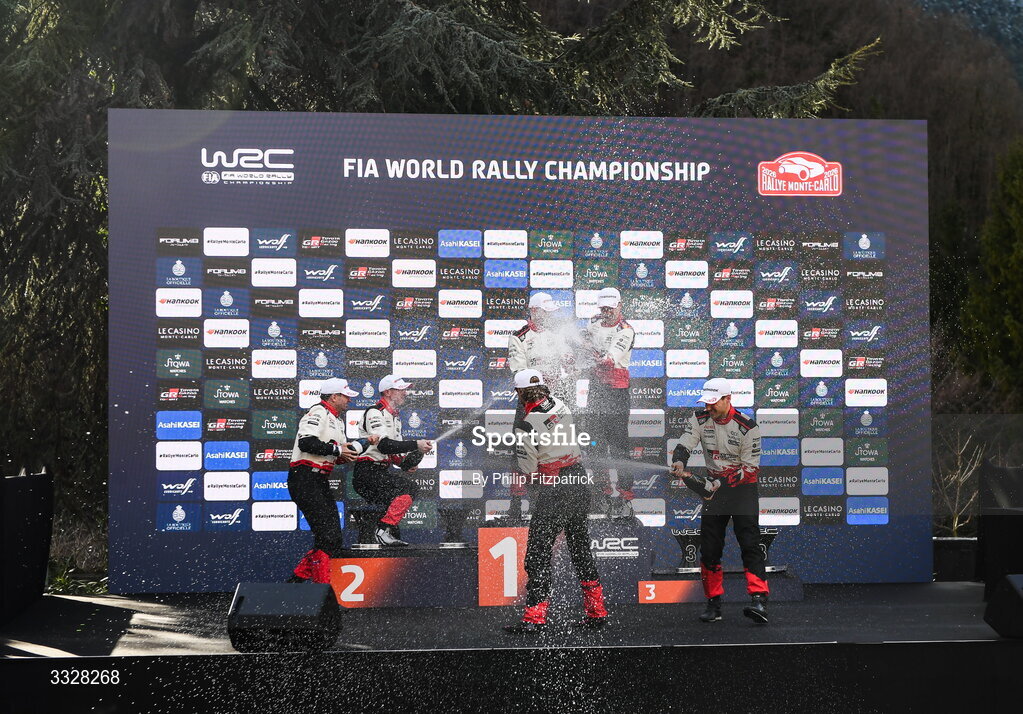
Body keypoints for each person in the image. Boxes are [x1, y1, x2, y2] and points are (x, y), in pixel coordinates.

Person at [504, 369, 608, 634]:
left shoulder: (525, 423)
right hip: (578, 481)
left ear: (519, 393)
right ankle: (597, 612)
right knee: (580, 548)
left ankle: (534, 617)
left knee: (537, 554)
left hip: (555, 489)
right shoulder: (561, 404)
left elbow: (528, 469)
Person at [670, 377, 769, 624]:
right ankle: (714, 603)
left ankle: (758, 599)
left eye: (714, 403)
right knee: (710, 548)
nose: (709, 408)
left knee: (750, 543)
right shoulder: (700, 418)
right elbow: (685, 443)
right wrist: (680, 462)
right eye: (707, 403)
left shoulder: (748, 426)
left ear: (728, 399)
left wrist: (717, 484)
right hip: (714, 491)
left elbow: (750, 469)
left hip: (742, 489)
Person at [288, 377, 377, 584]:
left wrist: (365, 443)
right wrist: (338, 450)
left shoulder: (337, 420)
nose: (349, 400)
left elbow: (340, 453)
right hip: (304, 479)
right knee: (328, 537)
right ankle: (321, 590)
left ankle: (296, 584)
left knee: (332, 538)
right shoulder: (318, 411)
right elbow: (306, 442)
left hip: (319, 481)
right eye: (346, 396)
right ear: (334, 396)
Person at [505, 292, 575, 519]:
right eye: (546, 312)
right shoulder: (519, 337)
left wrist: (569, 360)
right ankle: (515, 505)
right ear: (534, 311)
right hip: (529, 402)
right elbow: (519, 373)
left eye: (552, 312)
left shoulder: (556, 334)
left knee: (556, 450)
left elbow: (567, 356)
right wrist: (541, 379)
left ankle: (550, 502)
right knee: (521, 452)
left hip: (553, 403)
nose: (550, 316)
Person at [352, 374, 433, 547]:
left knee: (394, 526)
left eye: (405, 390)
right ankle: (382, 530)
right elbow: (384, 446)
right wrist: (415, 444)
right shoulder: (375, 412)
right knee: (409, 488)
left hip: (380, 472)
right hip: (367, 473)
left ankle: (383, 534)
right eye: (401, 390)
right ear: (387, 392)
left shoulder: (395, 418)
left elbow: (403, 464)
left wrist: (419, 452)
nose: (405, 393)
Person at [583, 286, 636, 518]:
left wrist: (602, 358)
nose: (606, 312)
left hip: (616, 392)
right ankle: (602, 494)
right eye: (603, 308)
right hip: (596, 390)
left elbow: (611, 357)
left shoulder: (626, 330)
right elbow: (584, 345)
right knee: (595, 445)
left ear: (620, 306)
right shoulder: (592, 323)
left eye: (610, 308)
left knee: (618, 447)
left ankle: (624, 497)